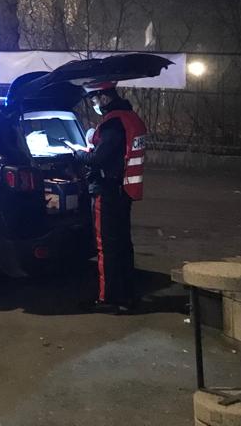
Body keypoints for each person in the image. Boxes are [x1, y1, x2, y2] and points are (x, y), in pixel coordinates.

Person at [75, 81, 148, 314]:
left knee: (106, 246)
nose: (94, 104)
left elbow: (98, 159)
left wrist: (78, 153)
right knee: (123, 244)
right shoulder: (130, 117)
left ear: (104, 97)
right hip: (124, 189)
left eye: (95, 100)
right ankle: (127, 295)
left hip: (107, 191)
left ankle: (108, 298)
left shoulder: (113, 123)